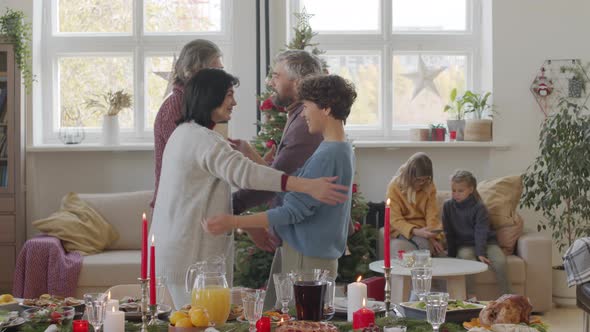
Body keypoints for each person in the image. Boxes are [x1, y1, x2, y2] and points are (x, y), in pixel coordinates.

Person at [150, 69, 349, 308]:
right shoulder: (202, 139)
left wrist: (241, 221)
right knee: (197, 322)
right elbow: (245, 174)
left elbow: (216, 187)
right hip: (190, 259)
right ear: (210, 96)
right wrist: (304, 184)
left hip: (183, 255)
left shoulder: (187, 134)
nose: (234, 102)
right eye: (229, 94)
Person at [204, 74, 356, 277]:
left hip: (306, 260)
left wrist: (233, 222)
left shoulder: (329, 155)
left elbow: (291, 211)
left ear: (326, 108)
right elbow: (292, 187)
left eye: (306, 107)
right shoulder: (340, 148)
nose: (303, 115)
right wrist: (251, 154)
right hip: (309, 255)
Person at [231, 50, 324, 249]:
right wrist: (249, 153)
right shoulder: (298, 116)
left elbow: (278, 181)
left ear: (297, 82)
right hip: (297, 234)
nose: (270, 82)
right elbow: (285, 176)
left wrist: (233, 205)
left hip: (303, 237)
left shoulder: (304, 125)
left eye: (276, 76)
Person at [151, 39, 224, 209]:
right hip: (175, 205)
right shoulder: (175, 107)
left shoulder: (197, 106)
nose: (221, 77)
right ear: (193, 72)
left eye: (221, 70)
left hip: (191, 201)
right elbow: (189, 157)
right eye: (215, 70)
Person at [442, 170, 511, 297]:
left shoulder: (479, 207)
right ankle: (470, 298)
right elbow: (448, 232)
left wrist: (480, 253)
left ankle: (507, 296)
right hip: (464, 245)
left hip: (487, 242)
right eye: (453, 190)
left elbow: (481, 231)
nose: (456, 194)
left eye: (460, 191)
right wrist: (451, 255)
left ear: (471, 189)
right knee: (466, 259)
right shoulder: (448, 206)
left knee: (500, 261)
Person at [385, 152, 444, 255]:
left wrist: (432, 237)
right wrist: (416, 231)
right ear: (409, 175)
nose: (422, 183)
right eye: (419, 180)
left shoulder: (429, 185)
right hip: (402, 228)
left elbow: (432, 214)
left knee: (439, 245)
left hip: (424, 228)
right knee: (424, 245)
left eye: (425, 179)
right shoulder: (394, 187)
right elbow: (395, 219)